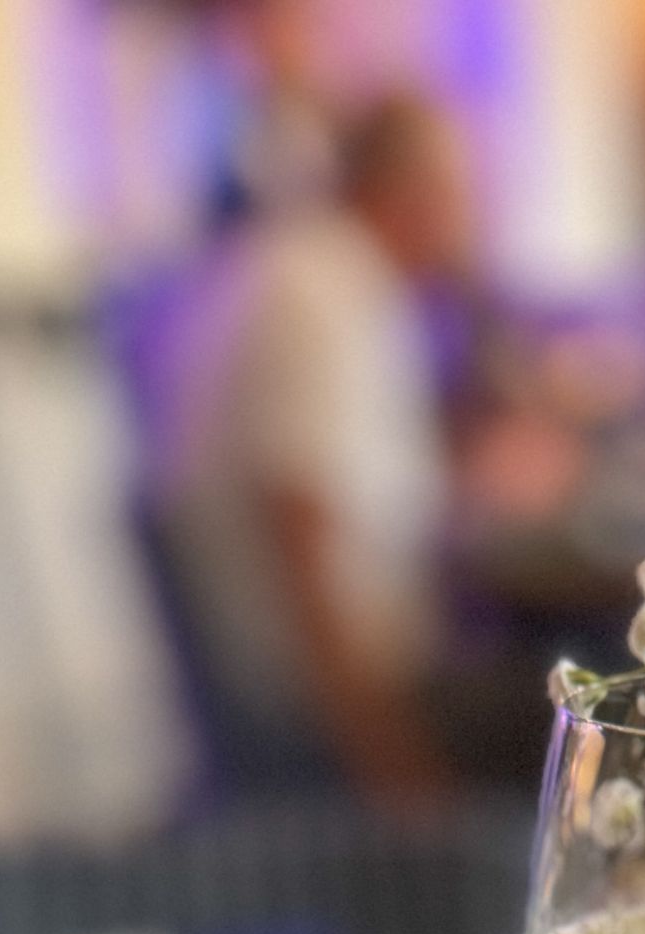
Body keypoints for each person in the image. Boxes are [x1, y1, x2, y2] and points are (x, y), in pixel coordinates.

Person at [159, 93, 472, 800]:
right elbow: (297, 538)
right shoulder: (314, 294)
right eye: (460, 190)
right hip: (318, 713)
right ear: (409, 193)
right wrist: (398, 776)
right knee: (599, 718)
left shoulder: (331, 276)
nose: (468, 216)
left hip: (343, 684)